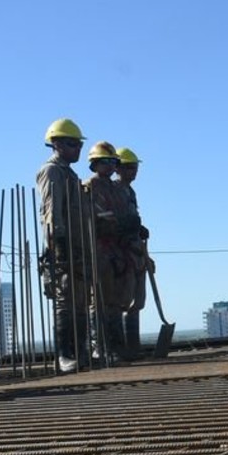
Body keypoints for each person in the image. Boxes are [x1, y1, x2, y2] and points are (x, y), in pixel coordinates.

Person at [35, 118, 91, 372]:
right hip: (63, 246)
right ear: (56, 144)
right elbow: (51, 211)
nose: (77, 148)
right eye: (72, 144)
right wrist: (59, 243)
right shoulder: (51, 171)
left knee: (80, 300)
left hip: (78, 246)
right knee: (65, 300)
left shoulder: (70, 174)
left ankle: (81, 352)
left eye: (78, 144)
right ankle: (65, 355)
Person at [81, 141, 130, 362]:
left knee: (116, 301)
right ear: (95, 164)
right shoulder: (89, 187)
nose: (110, 166)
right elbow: (90, 218)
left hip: (117, 251)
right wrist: (109, 221)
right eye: (106, 162)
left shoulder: (117, 189)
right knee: (99, 300)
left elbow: (122, 215)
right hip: (99, 249)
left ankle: (117, 347)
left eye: (113, 162)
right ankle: (100, 347)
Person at [114, 146, 151, 359]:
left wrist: (139, 229)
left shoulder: (130, 191)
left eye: (135, 167)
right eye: (129, 167)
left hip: (136, 251)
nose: (133, 171)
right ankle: (124, 348)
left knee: (138, 301)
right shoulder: (115, 189)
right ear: (118, 168)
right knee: (124, 300)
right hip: (123, 252)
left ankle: (133, 346)